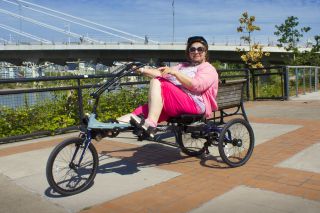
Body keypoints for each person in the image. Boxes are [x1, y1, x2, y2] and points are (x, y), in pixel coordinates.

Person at [118, 36, 219, 138]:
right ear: (189, 52)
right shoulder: (182, 66)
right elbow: (161, 73)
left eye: (200, 49)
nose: (196, 52)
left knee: (158, 82)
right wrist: (141, 70)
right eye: (192, 49)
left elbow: (196, 85)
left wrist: (175, 73)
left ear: (205, 52)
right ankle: (109, 128)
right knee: (137, 115)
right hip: (174, 102)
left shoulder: (208, 69)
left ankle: (151, 124)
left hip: (194, 105)